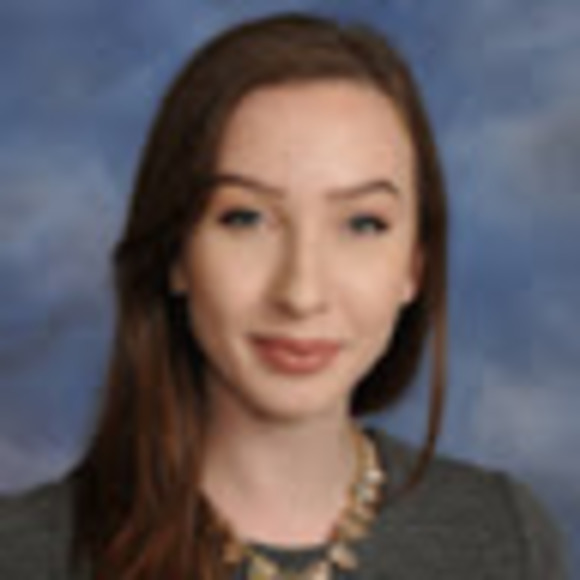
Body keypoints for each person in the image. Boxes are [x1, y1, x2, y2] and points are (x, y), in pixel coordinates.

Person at [0, 11, 567, 580]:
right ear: (176, 255)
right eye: (246, 218)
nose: (301, 293)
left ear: (414, 268)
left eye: (362, 224)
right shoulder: (23, 555)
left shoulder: (504, 538)